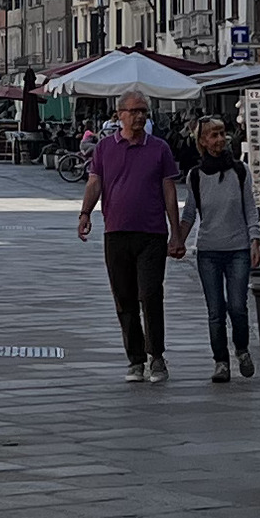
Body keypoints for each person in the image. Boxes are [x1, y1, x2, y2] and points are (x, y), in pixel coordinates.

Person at [76, 91, 183, 382]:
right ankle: (135, 359)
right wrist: (85, 214)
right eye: (134, 111)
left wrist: (176, 233)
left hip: (152, 233)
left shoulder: (159, 149)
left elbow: (169, 191)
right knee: (123, 298)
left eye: (144, 112)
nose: (139, 117)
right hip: (116, 232)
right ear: (119, 114)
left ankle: (157, 356)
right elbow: (95, 182)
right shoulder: (104, 149)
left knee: (150, 294)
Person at [182, 114, 260, 382]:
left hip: (238, 248)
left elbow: (250, 207)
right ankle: (221, 362)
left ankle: (241, 348)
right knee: (215, 310)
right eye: (213, 135)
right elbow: (190, 213)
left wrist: (255, 240)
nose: (220, 139)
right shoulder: (195, 176)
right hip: (208, 252)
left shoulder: (240, 171)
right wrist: (178, 239)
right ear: (202, 141)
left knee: (237, 306)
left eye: (222, 133)